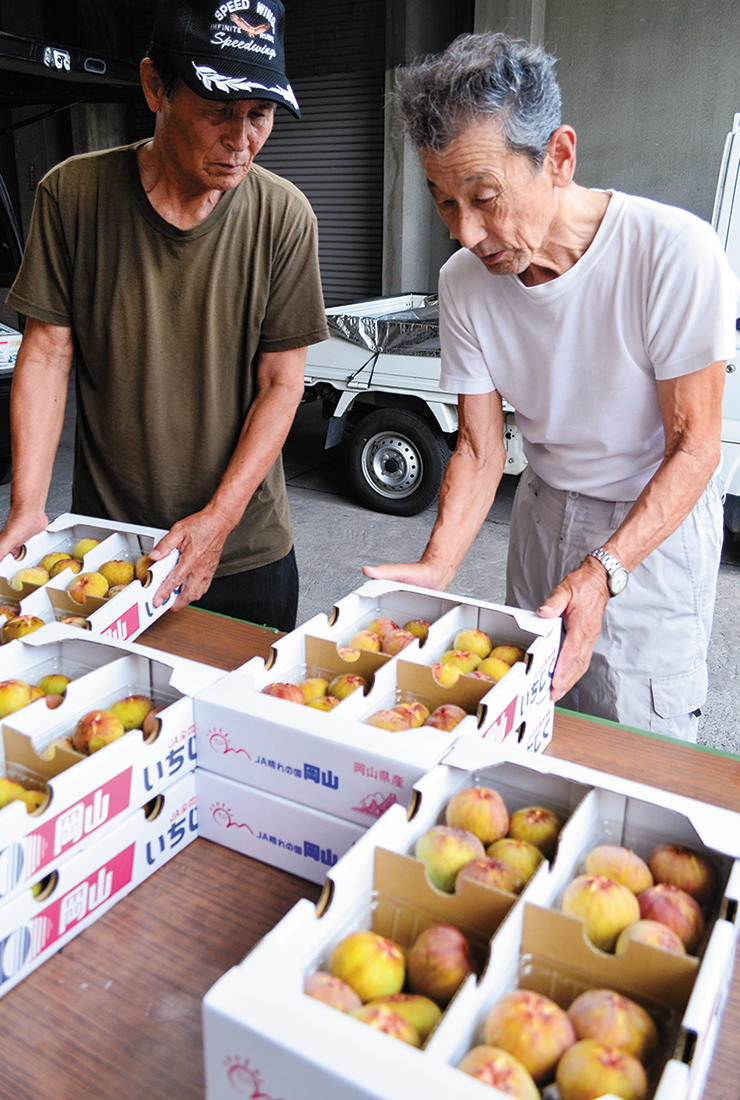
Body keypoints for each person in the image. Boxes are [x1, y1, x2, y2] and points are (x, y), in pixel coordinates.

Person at [364, 32, 739, 741]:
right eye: (445, 204)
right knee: (532, 717)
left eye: (484, 197)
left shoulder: (673, 254)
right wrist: (437, 562)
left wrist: (603, 571)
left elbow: (695, 449)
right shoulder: (464, 285)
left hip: (651, 523)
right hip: (541, 511)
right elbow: (478, 451)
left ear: (559, 157)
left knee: (634, 736)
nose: (467, 233)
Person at [0, 0, 329, 632]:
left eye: (259, 115)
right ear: (155, 87)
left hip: (244, 554)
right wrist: (27, 505)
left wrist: (218, 523)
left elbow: (281, 384)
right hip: (112, 551)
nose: (241, 142)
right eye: (217, 111)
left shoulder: (285, 217)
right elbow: (46, 354)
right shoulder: (73, 196)